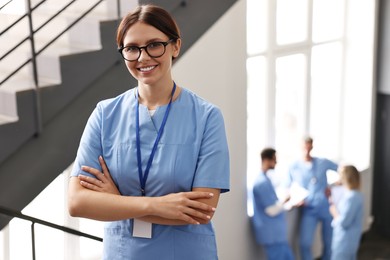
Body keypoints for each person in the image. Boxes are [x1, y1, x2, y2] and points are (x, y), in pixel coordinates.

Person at [67, 4, 230, 260]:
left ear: (175, 46)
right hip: (123, 253)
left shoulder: (207, 117)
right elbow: (77, 203)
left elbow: (201, 211)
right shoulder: (104, 114)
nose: (143, 57)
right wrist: (158, 205)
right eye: (131, 48)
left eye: (154, 44)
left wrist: (116, 201)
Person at [285, 136, 338, 260]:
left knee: (329, 242)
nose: (307, 151)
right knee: (304, 243)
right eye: (304, 147)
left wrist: (333, 186)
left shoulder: (322, 162)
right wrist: (293, 199)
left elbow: (343, 170)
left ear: (312, 147)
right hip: (309, 209)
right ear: (300, 148)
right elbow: (287, 187)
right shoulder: (294, 166)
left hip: (325, 207)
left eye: (309, 147)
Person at [252, 148, 295, 260]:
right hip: (272, 233)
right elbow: (270, 210)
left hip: (276, 234)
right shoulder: (261, 183)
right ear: (266, 160)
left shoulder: (266, 179)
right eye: (274, 159)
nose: (276, 162)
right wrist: (285, 201)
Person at [329, 165, 364, 260]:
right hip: (350, 241)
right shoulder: (356, 195)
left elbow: (344, 222)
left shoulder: (351, 198)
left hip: (344, 242)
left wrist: (334, 212)